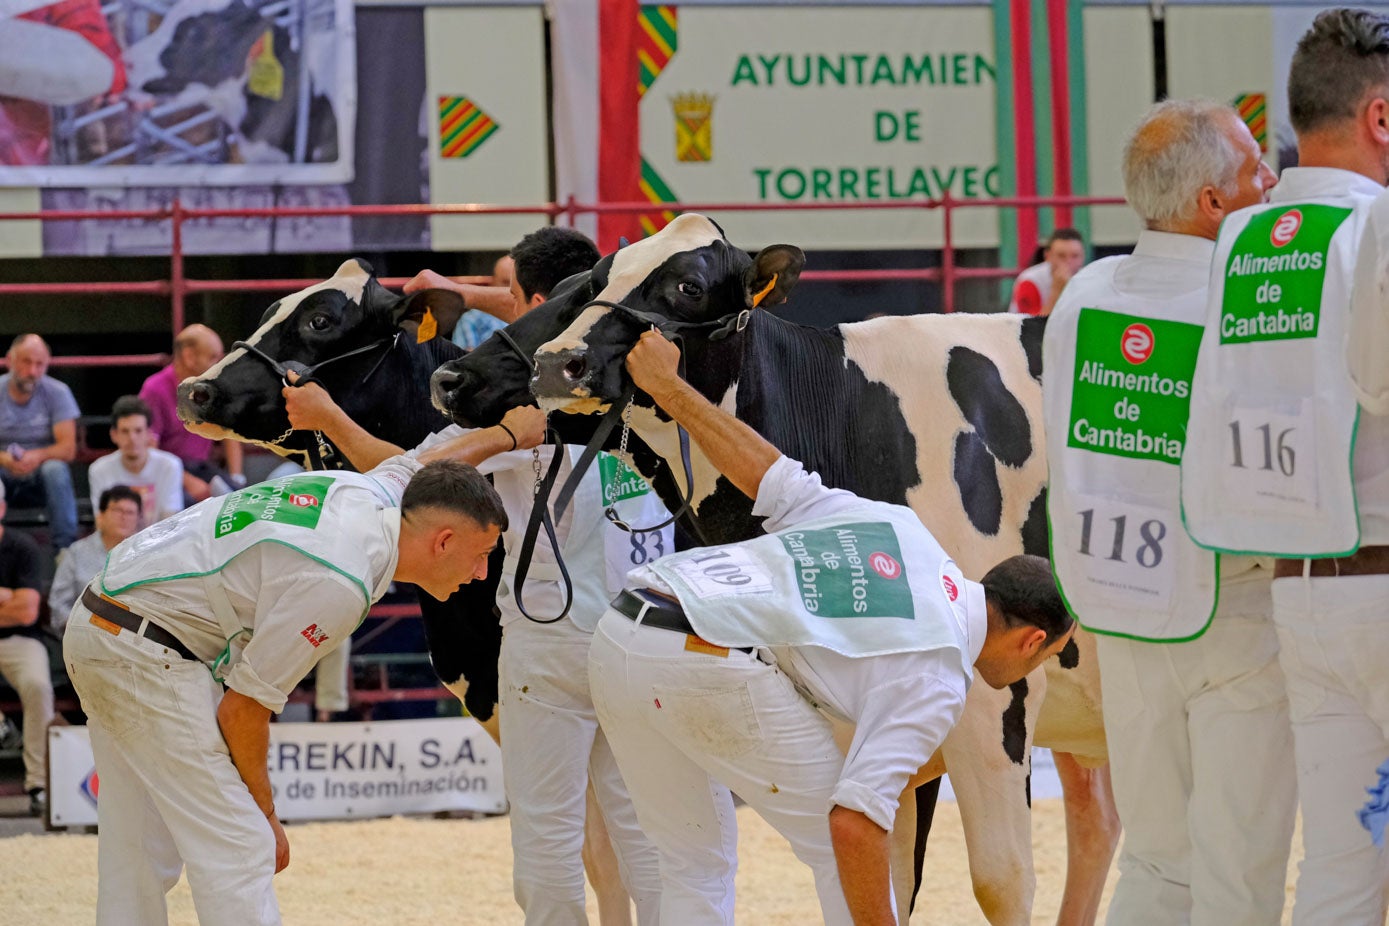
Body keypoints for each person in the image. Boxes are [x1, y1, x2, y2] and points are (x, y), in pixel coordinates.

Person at [588, 329, 1076, 925]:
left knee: (692, 865)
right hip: (702, 654)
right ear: (1032, 639)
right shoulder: (941, 671)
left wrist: (669, 387)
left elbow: (766, 471)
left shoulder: (902, 529)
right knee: (840, 849)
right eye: (1046, 657)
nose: (1036, 669)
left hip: (623, 626)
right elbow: (853, 826)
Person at [291, 226, 667, 924]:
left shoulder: (506, 395)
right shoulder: (654, 379)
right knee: (650, 825)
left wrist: (329, 418)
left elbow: (412, 478)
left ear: (528, 300)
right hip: (647, 630)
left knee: (547, 828)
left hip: (549, 637)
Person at [62, 429, 523, 926]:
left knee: (136, 847)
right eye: (481, 555)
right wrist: (267, 815)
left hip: (102, 620)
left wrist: (509, 434)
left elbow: (430, 458)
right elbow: (241, 712)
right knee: (242, 843)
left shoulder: (374, 490)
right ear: (444, 541)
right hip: (142, 647)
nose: (480, 573)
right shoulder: (341, 580)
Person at [1043, 99, 1293, 926]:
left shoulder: (1081, 296)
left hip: (1120, 609)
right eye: (1255, 167)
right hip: (1234, 611)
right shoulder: (1239, 305)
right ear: (1211, 204)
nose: (1270, 180)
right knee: (1239, 867)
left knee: (1157, 856)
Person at [1178, 10, 1389, 924]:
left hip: (1301, 594)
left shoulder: (1243, 243)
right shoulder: (1374, 225)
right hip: (1383, 575)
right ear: (1380, 119)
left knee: (1342, 871)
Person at [139, 324, 246, 504]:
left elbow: (230, 434)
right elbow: (150, 450)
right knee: (188, 506)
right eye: (213, 357)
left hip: (202, 467)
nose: (220, 364)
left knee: (240, 499)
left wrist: (237, 478)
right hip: (167, 472)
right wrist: (188, 481)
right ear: (189, 356)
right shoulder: (155, 389)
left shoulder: (213, 385)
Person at [0, 478, 52, 816]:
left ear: (2, 509)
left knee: (38, 685)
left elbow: (28, 610)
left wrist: (15, 603)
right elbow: (16, 605)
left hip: (20, 639)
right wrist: (6, 597)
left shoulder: (22, 546)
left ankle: (39, 784)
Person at [0, 333, 79, 549]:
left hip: (40, 477)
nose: (33, 372)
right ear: (9, 360)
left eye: (40, 364)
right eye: (26, 362)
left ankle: (64, 550)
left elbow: (68, 449)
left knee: (56, 469)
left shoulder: (58, 392)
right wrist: (4, 458)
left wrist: (36, 456)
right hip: (3, 472)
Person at [48, 485, 141, 630]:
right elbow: (59, 604)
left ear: (138, 520)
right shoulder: (76, 552)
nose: (123, 517)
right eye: (117, 510)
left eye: (130, 513)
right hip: (83, 633)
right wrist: (85, 629)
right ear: (101, 516)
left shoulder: (145, 556)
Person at [87, 396, 184, 527]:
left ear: (149, 434)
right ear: (114, 435)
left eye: (138, 431)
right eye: (125, 431)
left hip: (159, 543)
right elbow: (102, 522)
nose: (132, 438)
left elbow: (171, 521)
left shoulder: (170, 466)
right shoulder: (99, 470)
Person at [1007, 227, 1086, 316]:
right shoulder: (1030, 281)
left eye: (1075, 256)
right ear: (1048, 256)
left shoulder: (1088, 280)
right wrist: (1056, 292)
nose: (1068, 262)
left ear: (1083, 257)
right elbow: (1031, 326)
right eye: (1061, 256)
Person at [450, 254, 515, 350]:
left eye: (514, 284)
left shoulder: (532, 314)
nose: (509, 290)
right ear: (493, 282)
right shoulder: (471, 320)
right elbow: (462, 360)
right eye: (505, 283)